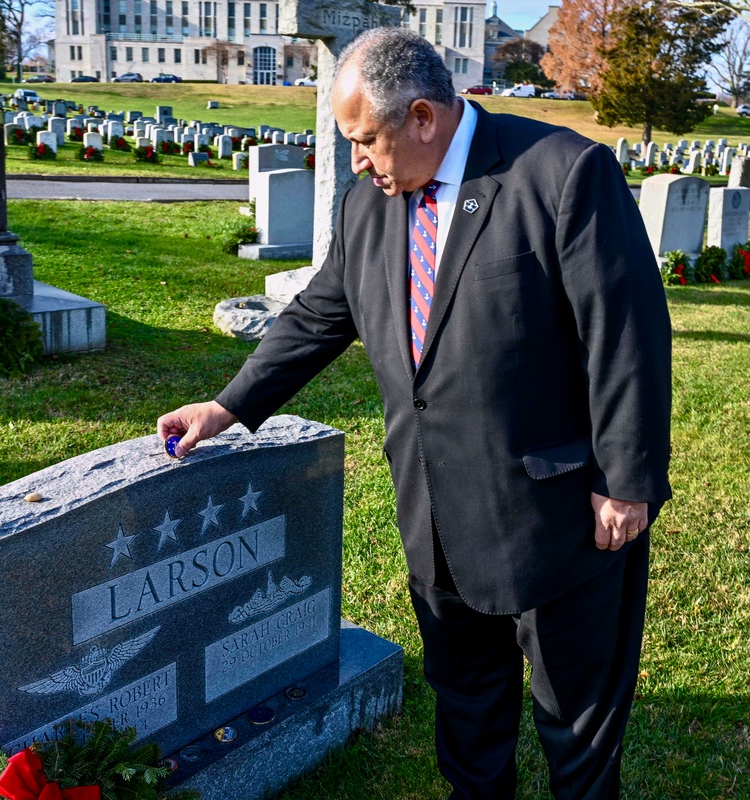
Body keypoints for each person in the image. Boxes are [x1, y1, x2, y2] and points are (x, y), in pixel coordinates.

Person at [157, 27, 671, 799]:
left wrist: (626, 481)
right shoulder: (370, 205)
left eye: (366, 140)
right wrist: (229, 407)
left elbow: (625, 333)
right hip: (436, 515)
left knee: (578, 729)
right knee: (468, 711)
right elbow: (318, 316)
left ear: (423, 118)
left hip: (560, 517)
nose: (358, 160)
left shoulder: (561, 174)